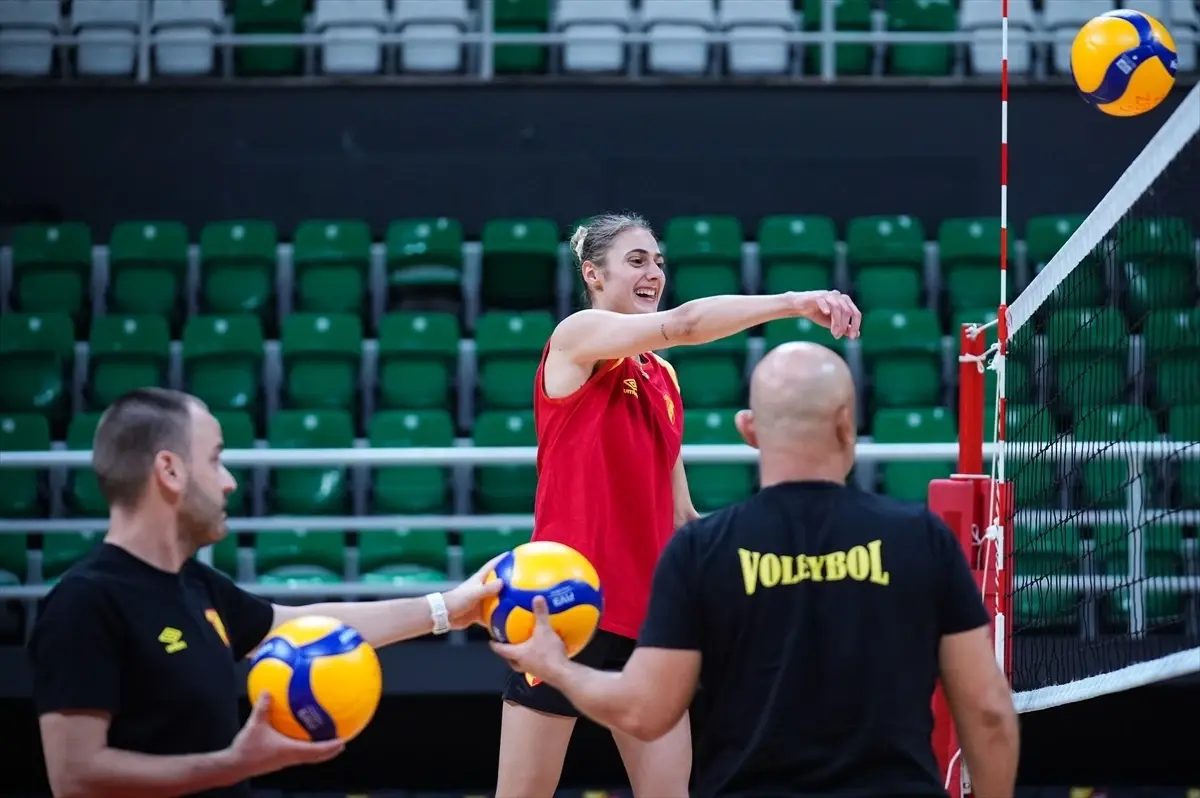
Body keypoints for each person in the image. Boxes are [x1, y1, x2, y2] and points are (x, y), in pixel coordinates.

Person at [492, 341, 1021, 798]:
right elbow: (990, 712)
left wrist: (557, 668)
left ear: (747, 429)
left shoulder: (704, 555)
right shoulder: (923, 540)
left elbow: (645, 710)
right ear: (847, 423)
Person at [495, 212, 863, 798]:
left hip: (649, 619)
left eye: (659, 263)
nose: (653, 274)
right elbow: (687, 322)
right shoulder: (576, 337)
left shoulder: (662, 376)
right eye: (636, 261)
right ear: (592, 273)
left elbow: (683, 517)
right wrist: (797, 302)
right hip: (562, 607)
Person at [27, 387, 503, 798]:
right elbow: (76, 778)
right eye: (214, 460)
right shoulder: (85, 603)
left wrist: (446, 609)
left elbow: (303, 628)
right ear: (169, 471)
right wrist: (233, 764)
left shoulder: (196, 584)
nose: (229, 481)